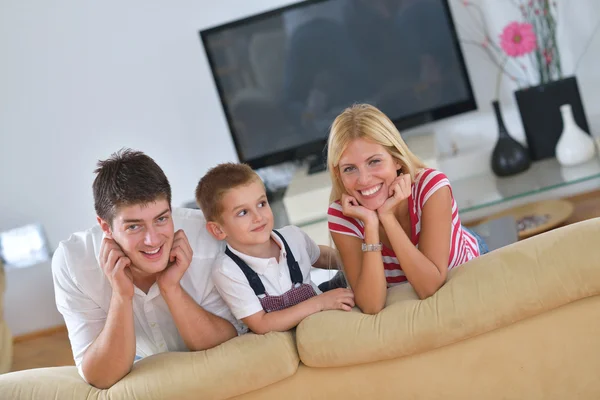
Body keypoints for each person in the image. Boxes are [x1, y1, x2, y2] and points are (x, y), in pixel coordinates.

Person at [52, 149, 244, 389]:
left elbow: (232, 345)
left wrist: (171, 288)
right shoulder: (74, 263)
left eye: (161, 219)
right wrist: (122, 296)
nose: (153, 240)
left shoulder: (207, 238)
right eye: (134, 227)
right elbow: (100, 376)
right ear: (106, 226)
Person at [326, 104, 488, 314]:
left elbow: (429, 287)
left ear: (396, 160)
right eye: (350, 168)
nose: (364, 179)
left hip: (467, 252)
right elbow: (371, 305)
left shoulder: (431, 187)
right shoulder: (343, 214)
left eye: (374, 161)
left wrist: (387, 217)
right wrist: (372, 226)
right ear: (338, 174)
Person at [196, 163, 354, 335]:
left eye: (261, 203)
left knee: (352, 276)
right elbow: (261, 324)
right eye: (243, 212)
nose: (258, 217)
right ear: (218, 230)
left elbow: (322, 257)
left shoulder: (293, 236)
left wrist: (357, 259)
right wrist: (321, 303)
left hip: (321, 311)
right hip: (310, 313)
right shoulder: (227, 271)